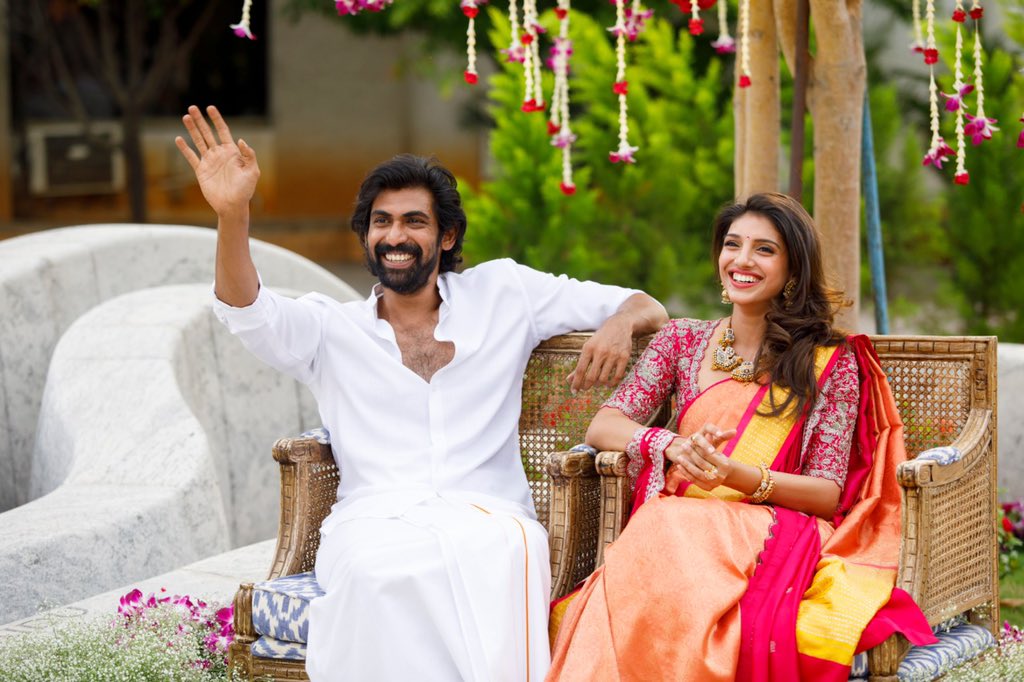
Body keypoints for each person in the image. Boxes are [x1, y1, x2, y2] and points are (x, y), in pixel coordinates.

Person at [174, 105, 668, 681]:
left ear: (446, 235)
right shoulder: (330, 328)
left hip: (490, 517)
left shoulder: (505, 293)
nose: (395, 236)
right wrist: (233, 213)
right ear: (367, 236)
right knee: (377, 575)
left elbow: (646, 305)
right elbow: (246, 311)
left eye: (414, 221)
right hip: (373, 521)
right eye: (381, 222)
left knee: (504, 556)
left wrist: (619, 323)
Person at [546, 192, 936, 681]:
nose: (742, 260)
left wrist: (733, 474)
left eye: (764, 249)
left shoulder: (827, 362)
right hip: (677, 524)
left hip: (772, 530)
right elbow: (604, 426)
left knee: (665, 525)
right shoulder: (681, 340)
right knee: (664, 522)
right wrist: (672, 446)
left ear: (793, 269)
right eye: (733, 245)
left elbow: (826, 493)